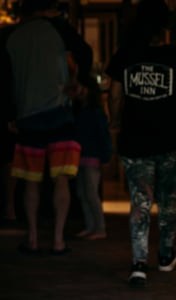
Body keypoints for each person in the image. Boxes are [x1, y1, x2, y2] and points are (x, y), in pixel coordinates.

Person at [105, 0, 176, 288]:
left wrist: (115, 120)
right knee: (167, 200)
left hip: (135, 139)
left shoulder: (124, 56)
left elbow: (115, 96)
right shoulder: (175, 56)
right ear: (165, 25)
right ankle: (166, 256)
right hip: (170, 139)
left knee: (140, 202)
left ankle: (139, 264)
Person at [3, 0, 93, 255]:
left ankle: (31, 238)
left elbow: (5, 79)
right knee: (61, 179)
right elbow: (85, 53)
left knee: (31, 180)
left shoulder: (12, 35)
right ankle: (58, 240)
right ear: (51, 8)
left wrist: (9, 115)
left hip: (27, 116)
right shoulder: (60, 30)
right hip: (59, 113)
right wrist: (78, 82)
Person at [72, 73, 112, 241]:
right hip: (81, 156)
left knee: (91, 193)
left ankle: (99, 227)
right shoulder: (82, 111)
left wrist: (105, 157)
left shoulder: (94, 112)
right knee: (83, 193)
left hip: (91, 157)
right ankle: (91, 226)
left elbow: (104, 137)